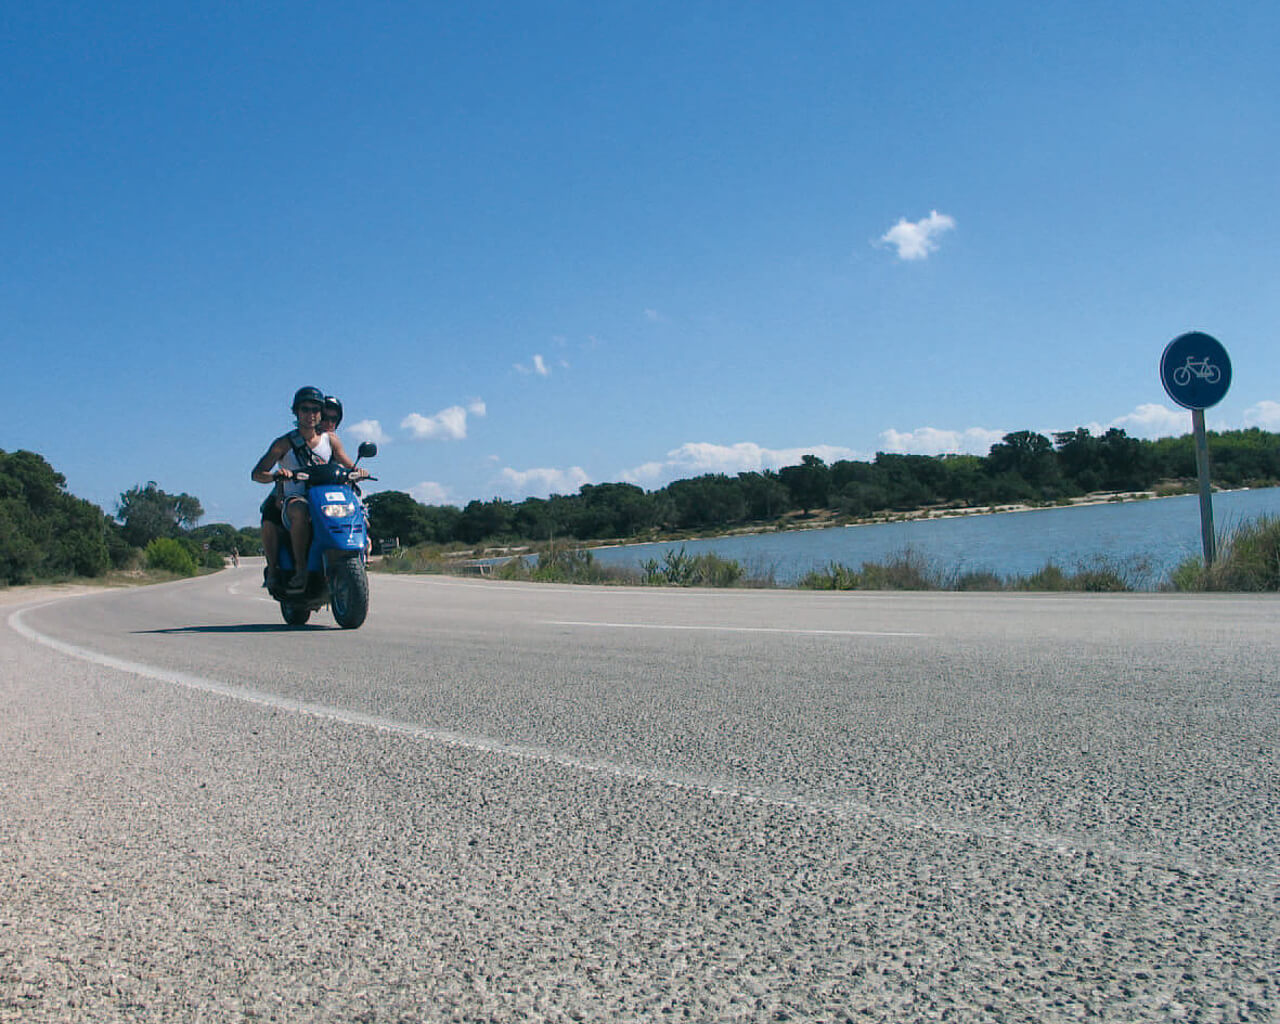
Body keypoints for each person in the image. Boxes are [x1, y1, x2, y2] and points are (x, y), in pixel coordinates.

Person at [252, 386, 367, 592]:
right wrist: (276, 475)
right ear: (296, 412)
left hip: (325, 496)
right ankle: (301, 569)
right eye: (305, 409)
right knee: (300, 511)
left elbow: (348, 464)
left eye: (315, 409)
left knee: (356, 508)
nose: (310, 414)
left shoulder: (330, 440)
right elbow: (257, 473)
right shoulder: (283, 443)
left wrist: (360, 471)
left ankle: (356, 555)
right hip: (296, 497)